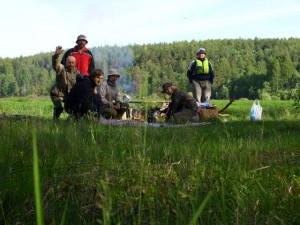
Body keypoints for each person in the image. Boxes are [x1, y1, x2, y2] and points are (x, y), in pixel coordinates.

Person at [50, 46, 79, 120]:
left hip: (68, 96)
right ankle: (55, 120)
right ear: (66, 62)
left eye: (72, 63)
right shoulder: (61, 68)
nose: (71, 64)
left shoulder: (77, 72)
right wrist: (56, 56)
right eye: (69, 62)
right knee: (59, 108)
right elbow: (55, 65)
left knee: (75, 109)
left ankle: (71, 120)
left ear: (75, 63)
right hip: (57, 94)